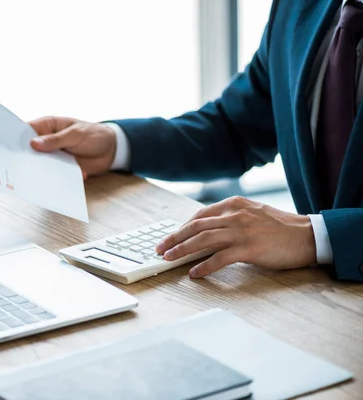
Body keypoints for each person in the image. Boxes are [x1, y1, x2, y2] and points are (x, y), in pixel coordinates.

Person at [29, 0, 363, 282]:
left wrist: (315, 236)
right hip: (318, 303)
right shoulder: (301, 6)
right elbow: (236, 128)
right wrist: (118, 143)